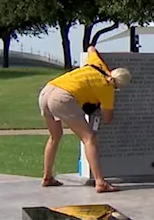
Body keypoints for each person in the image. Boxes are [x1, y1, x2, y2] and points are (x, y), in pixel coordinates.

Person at [38, 45, 131, 192]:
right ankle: (100, 183)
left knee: (54, 137)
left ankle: (47, 177)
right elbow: (107, 118)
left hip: (47, 90)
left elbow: (91, 48)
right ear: (118, 86)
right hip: (63, 98)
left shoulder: (97, 64)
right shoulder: (107, 89)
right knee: (89, 139)